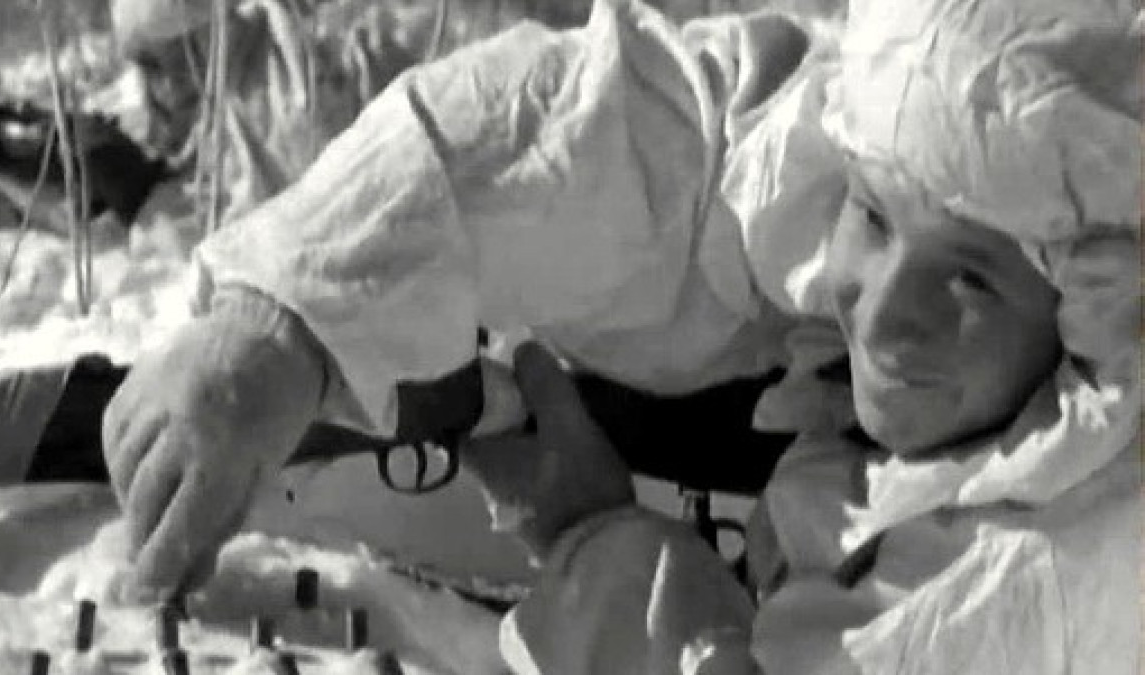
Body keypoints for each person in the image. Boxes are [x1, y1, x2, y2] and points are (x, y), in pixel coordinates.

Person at [103, 0, 1141, 672]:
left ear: (1100, 305)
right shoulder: (903, 120)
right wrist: (284, 314)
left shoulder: (1058, 573)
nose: (884, 313)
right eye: (871, 215)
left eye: (970, 277)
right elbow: (610, 127)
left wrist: (598, 546)